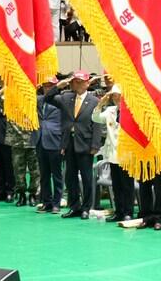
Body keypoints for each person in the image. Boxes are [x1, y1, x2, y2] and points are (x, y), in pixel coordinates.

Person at [56, 71, 100, 219]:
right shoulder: (67, 97)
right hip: (69, 144)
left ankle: (86, 207)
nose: (78, 84)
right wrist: (59, 86)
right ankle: (74, 206)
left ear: (88, 83)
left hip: (85, 144)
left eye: (81, 81)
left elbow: (97, 124)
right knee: (70, 177)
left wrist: (95, 145)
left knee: (87, 178)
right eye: (75, 81)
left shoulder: (94, 101)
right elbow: (49, 98)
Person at [94, 84, 136, 225]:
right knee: (116, 185)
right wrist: (100, 104)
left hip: (127, 154)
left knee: (127, 186)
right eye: (115, 96)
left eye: (119, 95)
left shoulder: (132, 111)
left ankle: (128, 212)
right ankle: (119, 211)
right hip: (113, 154)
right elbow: (95, 118)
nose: (117, 98)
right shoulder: (110, 110)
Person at [34, 78, 65, 213]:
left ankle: (57, 203)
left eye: (50, 86)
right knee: (44, 175)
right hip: (40, 140)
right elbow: (27, 98)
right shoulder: (40, 100)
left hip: (55, 140)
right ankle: (46, 202)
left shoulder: (61, 100)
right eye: (45, 86)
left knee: (57, 175)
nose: (47, 88)